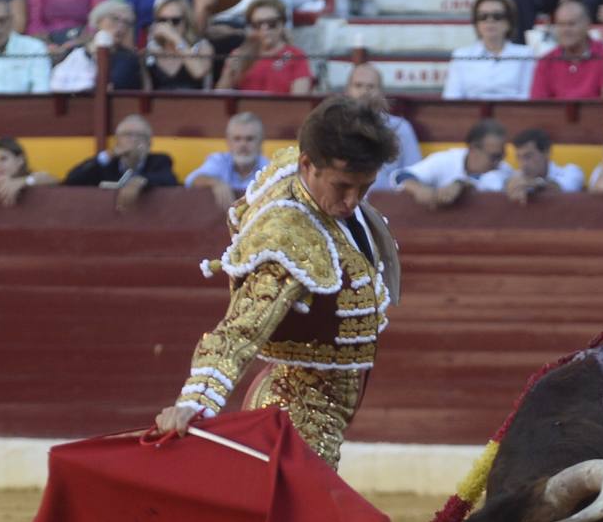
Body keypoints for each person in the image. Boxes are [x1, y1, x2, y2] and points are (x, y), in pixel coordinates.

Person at [153, 96, 402, 470]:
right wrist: (196, 400)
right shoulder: (287, 236)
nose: (352, 200)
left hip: (317, 403)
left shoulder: (302, 167)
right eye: (342, 186)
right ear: (308, 165)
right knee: (300, 519)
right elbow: (239, 329)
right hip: (296, 409)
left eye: (364, 187)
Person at [64, 114, 179, 210]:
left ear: (149, 144)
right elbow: (72, 179)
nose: (134, 139)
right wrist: (107, 156)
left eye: (140, 136)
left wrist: (138, 181)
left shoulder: (159, 160)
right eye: (127, 134)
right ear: (117, 141)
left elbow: (169, 178)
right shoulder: (107, 163)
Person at [392, 118, 511, 208]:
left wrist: (459, 185)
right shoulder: (446, 160)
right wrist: (419, 190)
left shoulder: (504, 170)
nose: (499, 161)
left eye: (502, 155)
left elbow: (486, 183)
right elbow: (401, 176)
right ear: (474, 149)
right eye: (495, 156)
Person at [342, 62, 421, 195]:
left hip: (388, 207)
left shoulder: (402, 128)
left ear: (381, 92)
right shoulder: (333, 126)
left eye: (371, 87)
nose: (364, 92)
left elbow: (414, 174)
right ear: (347, 90)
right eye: (358, 85)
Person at [441, 0, 536, 100]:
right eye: (482, 16)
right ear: (476, 24)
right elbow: (452, 98)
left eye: (497, 16)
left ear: (509, 22)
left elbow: (527, 97)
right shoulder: (461, 56)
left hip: (513, 114)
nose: (489, 20)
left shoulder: (526, 54)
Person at [214, 0, 311, 92]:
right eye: (257, 25)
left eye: (271, 23)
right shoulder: (240, 55)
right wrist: (229, 73)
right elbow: (220, 96)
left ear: (282, 23)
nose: (264, 29)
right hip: (246, 107)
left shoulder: (296, 56)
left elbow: (300, 101)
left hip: (281, 107)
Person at [50, 0, 144, 91]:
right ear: (98, 21)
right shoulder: (75, 51)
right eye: (115, 19)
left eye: (126, 22)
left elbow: (115, 86)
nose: (121, 26)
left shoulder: (128, 58)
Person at [186, 111, 269, 210]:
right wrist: (215, 182)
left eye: (249, 139)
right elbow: (191, 180)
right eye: (237, 139)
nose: (243, 145)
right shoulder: (219, 160)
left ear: (261, 141)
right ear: (228, 141)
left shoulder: (270, 168)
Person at [529, 0, 603, 98]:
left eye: (571, 24)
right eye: (561, 24)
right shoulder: (546, 61)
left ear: (587, 25)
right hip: (555, 113)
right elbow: (538, 106)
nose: (565, 30)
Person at [143, 0, 214, 90]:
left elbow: (199, 72)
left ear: (186, 22)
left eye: (175, 21)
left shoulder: (202, 47)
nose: (169, 26)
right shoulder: (151, 52)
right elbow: (146, 91)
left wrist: (176, 39)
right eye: (163, 21)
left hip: (194, 103)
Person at [505, 127, 585, 204]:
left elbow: (564, 187)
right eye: (519, 157)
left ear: (546, 153)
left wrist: (537, 183)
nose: (523, 164)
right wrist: (508, 184)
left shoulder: (572, 171)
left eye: (528, 156)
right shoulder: (515, 176)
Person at [0, 134, 58, 206]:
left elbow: (52, 179)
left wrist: (23, 181)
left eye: (3, 159)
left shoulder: (30, 178)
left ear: (20, 160)